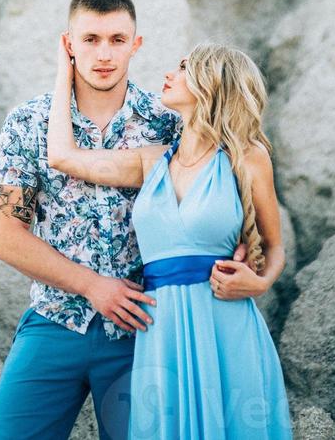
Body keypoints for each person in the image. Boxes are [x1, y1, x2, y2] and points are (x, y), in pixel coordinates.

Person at [0, 0, 252, 440]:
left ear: (137, 44)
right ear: (68, 44)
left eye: (117, 39)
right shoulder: (27, 124)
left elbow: (226, 198)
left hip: (147, 330)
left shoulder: (170, 122)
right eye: (90, 39)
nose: (104, 53)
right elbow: (6, 238)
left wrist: (244, 259)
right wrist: (93, 287)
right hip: (54, 321)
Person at [48, 34, 293, 440]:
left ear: (210, 82)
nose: (168, 73)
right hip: (160, 330)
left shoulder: (247, 157)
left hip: (224, 324)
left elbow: (274, 245)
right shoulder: (151, 161)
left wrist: (261, 282)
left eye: (182, 67)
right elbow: (62, 157)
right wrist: (65, 71)